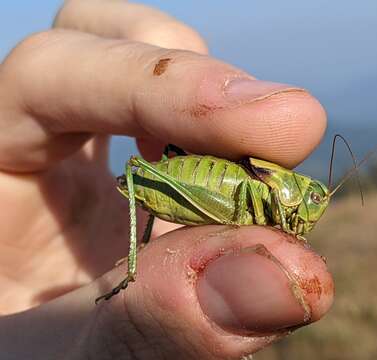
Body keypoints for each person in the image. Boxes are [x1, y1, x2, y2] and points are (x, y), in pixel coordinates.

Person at [0, 1, 333, 358]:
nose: (314, 207)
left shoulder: (275, 193)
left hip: (209, 194)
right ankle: (132, 268)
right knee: (137, 171)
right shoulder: (266, 190)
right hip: (187, 189)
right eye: (314, 198)